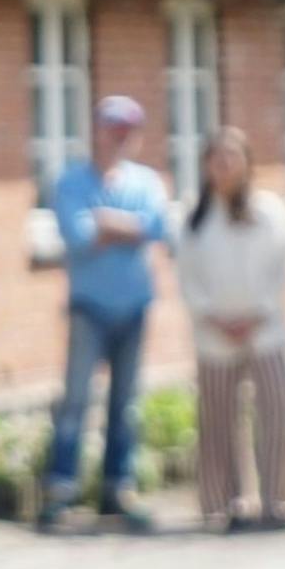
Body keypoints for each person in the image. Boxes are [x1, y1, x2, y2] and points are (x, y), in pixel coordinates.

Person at [44, 93, 176, 530]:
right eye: (112, 129)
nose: (119, 139)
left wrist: (108, 222)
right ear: (97, 132)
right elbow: (78, 236)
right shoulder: (71, 182)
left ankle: (118, 489)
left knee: (126, 403)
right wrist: (127, 227)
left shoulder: (147, 182)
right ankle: (61, 490)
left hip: (135, 306)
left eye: (128, 132)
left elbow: (159, 228)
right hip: (89, 307)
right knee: (76, 400)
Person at [177, 127, 285, 532]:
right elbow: (188, 277)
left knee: (277, 413)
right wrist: (212, 316)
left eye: (232, 156)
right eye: (217, 157)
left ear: (248, 163)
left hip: (265, 330)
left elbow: (279, 267)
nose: (225, 165)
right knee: (217, 420)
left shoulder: (267, 211)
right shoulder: (194, 217)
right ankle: (222, 503)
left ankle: (279, 500)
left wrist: (257, 314)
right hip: (214, 332)